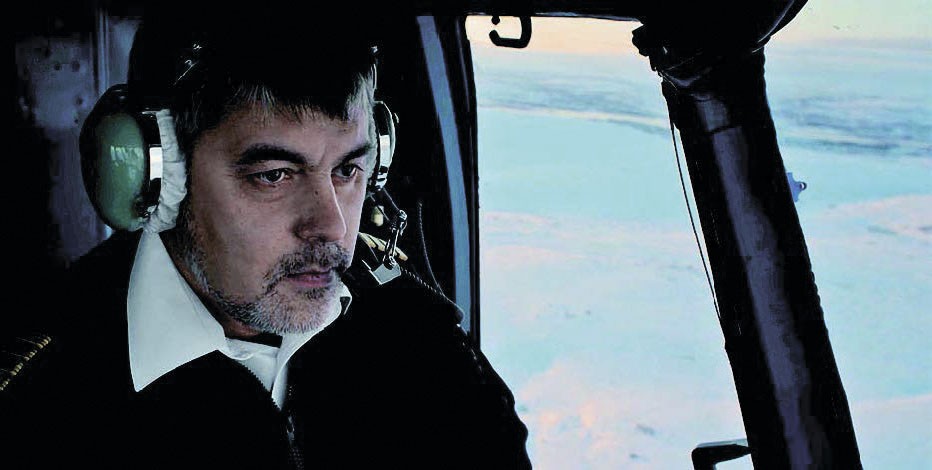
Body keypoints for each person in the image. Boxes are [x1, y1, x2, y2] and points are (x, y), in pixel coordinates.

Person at [1, 9, 531, 469]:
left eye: (348, 170)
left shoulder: (423, 349)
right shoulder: (40, 401)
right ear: (158, 177)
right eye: (274, 176)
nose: (332, 227)